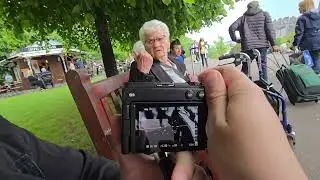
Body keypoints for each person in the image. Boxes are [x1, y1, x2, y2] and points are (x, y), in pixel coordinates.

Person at [0, 66, 307, 180]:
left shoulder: (5, 134)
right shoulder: (144, 64)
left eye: (161, 38)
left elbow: (83, 169)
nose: (158, 43)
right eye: (153, 39)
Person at [229, 1, 279, 81]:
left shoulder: (242, 18)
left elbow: (231, 28)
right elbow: (270, 30)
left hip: (247, 46)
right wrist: (274, 44)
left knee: (245, 67)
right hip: (262, 45)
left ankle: (242, 86)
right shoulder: (264, 14)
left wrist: (236, 39)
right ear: (258, 6)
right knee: (262, 66)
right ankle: (265, 88)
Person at [293, 0, 320, 74]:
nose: (298, 9)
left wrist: (295, 44)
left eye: (299, 7)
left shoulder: (302, 18)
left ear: (304, 7)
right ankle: (318, 75)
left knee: (308, 63)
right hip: (318, 42)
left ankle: (312, 80)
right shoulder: (318, 16)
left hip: (307, 44)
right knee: (316, 59)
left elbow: (299, 33)